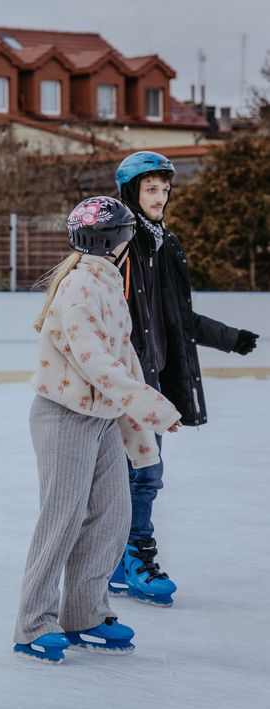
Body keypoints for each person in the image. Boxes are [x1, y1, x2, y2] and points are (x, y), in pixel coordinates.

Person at [14, 196, 181, 665]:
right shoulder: (79, 289)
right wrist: (152, 406)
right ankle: (34, 623)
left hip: (102, 417)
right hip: (64, 415)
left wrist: (140, 437)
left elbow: (123, 361)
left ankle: (85, 613)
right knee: (62, 517)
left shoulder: (106, 283)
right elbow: (97, 363)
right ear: (119, 240)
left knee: (111, 513)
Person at [110, 151, 260, 606]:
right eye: (150, 189)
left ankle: (119, 560)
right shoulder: (117, 243)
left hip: (157, 382)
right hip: (126, 381)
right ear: (131, 193)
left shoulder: (166, 245)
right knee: (141, 475)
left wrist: (229, 338)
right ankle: (134, 556)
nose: (159, 197)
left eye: (164, 189)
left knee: (142, 475)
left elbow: (178, 316)